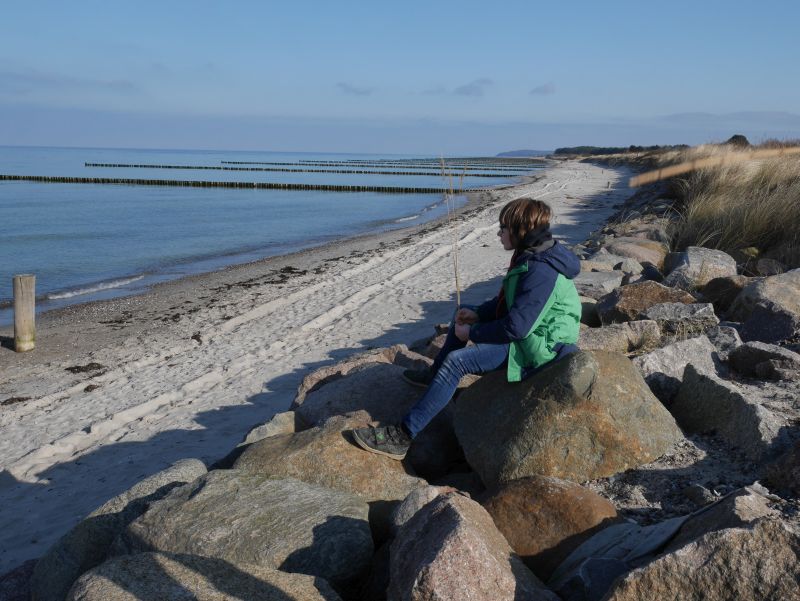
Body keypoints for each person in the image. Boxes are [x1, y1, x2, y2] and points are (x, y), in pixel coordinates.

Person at [352, 197, 582, 460]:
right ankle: (433, 377)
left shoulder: (540, 269)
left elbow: (517, 328)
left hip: (541, 348)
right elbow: (507, 304)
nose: (499, 233)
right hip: (530, 333)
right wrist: (476, 315)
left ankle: (403, 436)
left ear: (519, 231)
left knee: (456, 362)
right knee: (462, 313)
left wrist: (471, 334)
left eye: (503, 228)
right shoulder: (532, 253)